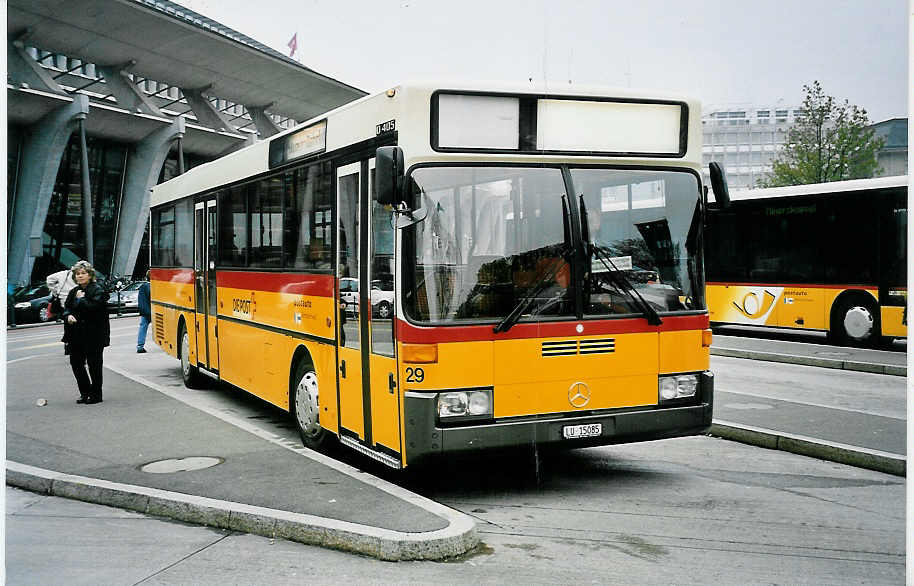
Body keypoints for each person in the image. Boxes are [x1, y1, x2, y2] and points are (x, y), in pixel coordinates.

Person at [62, 261, 110, 405]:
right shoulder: (74, 291)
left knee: (94, 365)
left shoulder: (98, 290)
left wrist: (80, 299)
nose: (80, 276)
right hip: (76, 335)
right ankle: (85, 392)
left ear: (90, 275)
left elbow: (93, 308)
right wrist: (67, 315)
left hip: (93, 334)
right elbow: (66, 307)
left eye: (83, 273)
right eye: (78, 274)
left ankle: (96, 395)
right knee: (76, 363)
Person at [137, 272, 151, 353]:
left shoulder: (142, 287)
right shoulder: (152, 286)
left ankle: (140, 346)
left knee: (143, 328)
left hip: (144, 311)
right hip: (152, 311)